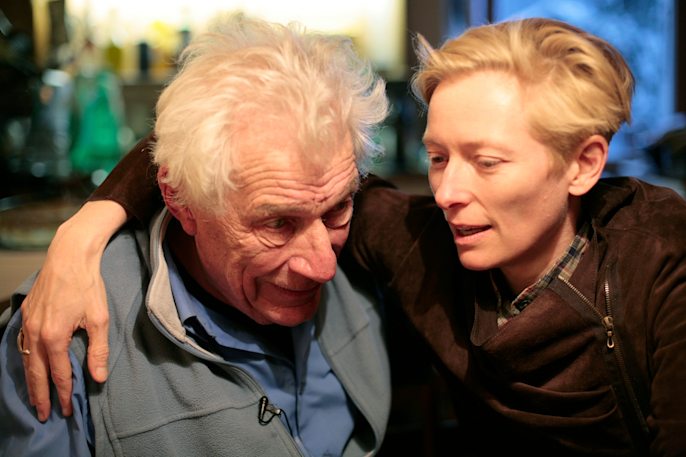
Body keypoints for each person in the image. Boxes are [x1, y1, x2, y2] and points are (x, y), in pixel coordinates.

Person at [10, 17, 686, 455]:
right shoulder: (417, 238)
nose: (446, 193)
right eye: (438, 156)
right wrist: (85, 229)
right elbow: (211, 152)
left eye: (487, 161)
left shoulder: (657, 257)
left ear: (584, 164)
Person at [0, 18, 392, 456]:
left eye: (337, 208)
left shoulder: (368, 261)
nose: (324, 266)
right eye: (278, 224)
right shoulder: (63, 332)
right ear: (181, 201)